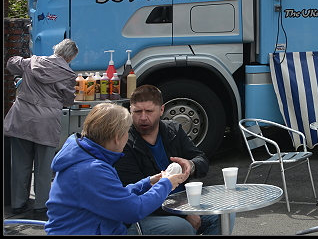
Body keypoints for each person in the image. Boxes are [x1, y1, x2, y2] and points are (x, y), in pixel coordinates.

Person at [45, 102, 189, 234]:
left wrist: (148, 183)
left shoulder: (87, 158)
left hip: (99, 227)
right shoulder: (91, 169)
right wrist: (166, 184)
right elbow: (133, 211)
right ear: (116, 138)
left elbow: (113, 197)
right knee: (180, 228)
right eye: (127, 131)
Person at [114, 85, 230, 235]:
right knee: (181, 227)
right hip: (149, 212)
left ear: (162, 110)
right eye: (137, 111)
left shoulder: (173, 130)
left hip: (183, 200)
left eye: (149, 111)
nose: (143, 117)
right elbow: (135, 196)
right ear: (130, 110)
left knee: (223, 214)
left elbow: (201, 160)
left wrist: (191, 165)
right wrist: (184, 213)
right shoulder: (125, 142)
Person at [4, 38, 79, 218]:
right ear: (70, 58)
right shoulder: (68, 74)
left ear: (56, 49)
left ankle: (18, 204)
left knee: (20, 164)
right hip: (47, 122)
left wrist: (21, 66)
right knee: (44, 166)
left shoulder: (33, 61)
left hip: (22, 117)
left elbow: (11, 64)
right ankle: (40, 206)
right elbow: (68, 100)